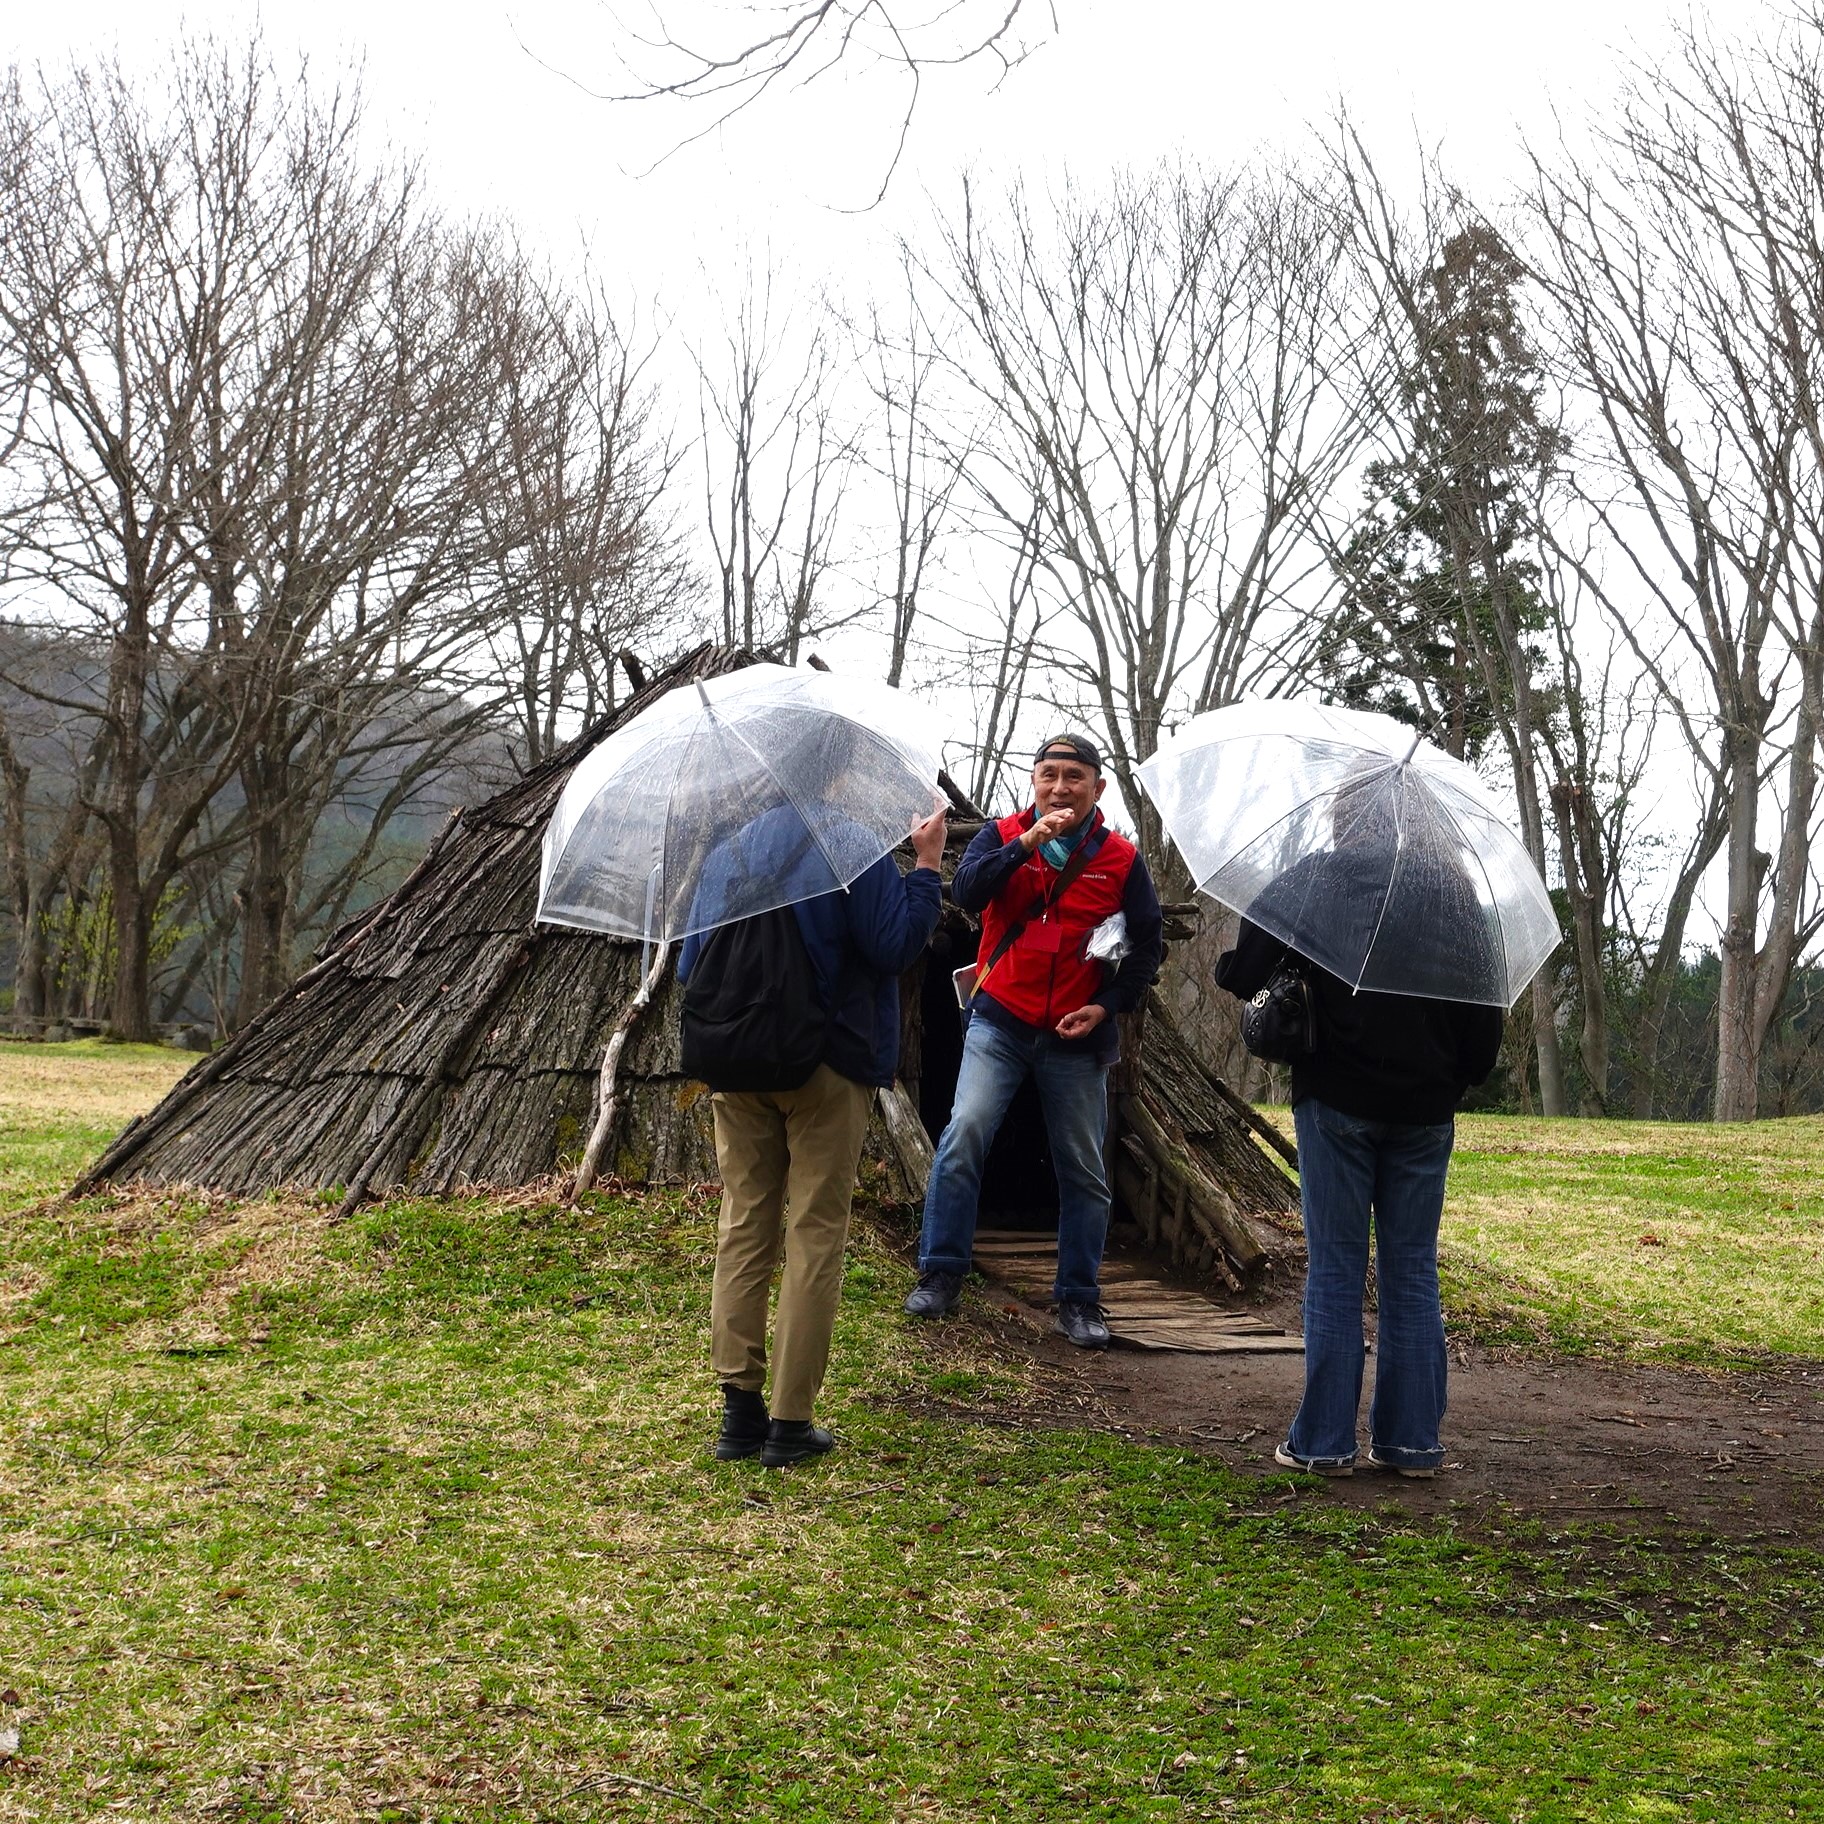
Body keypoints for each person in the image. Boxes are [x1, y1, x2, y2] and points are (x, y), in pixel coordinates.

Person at [1213, 781, 1503, 1478]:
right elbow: (1484, 1027)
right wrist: (1449, 1078)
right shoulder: (1453, 895)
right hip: (1427, 1111)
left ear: (1342, 820)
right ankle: (1411, 1444)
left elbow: (1238, 973)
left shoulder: (1312, 879)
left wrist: (1278, 959)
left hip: (1336, 1102)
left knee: (1337, 1268)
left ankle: (1321, 1445)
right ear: (1408, 823)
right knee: (1411, 1271)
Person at [680, 801, 947, 1468]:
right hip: (826, 1064)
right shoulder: (850, 843)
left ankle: (738, 1416)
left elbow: (690, 968)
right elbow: (895, 945)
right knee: (815, 1232)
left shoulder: (724, 855)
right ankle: (790, 1423)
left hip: (736, 1066)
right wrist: (927, 865)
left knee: (743, 1225)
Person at [905, 733, 1163, 1348]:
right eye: (1048, 773)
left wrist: (1106, 1006)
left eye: (1074, 776)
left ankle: (1079, 1298)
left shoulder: (1122, 860)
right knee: (965, 1132)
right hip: (1000, 1019)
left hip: (1076, 1035)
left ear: (1098, 788)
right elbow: (965, 893)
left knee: (1084, 1167)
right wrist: (1027, 844)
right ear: (1033, 780)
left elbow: (1148, 949)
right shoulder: (1001, 835)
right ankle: (941, 1271)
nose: (1060, 786)